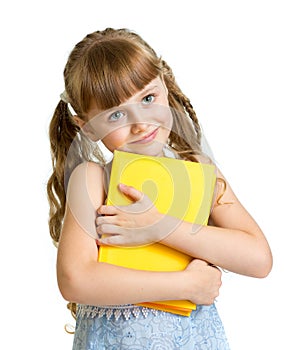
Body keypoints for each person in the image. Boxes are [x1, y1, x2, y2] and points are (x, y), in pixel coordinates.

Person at [47, 28, 272, 350]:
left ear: (165, 85)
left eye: (148, 98)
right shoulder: (92, 179)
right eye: (116, 114)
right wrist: (187, 284)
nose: (141, 124)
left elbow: (258, 258)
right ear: (87, 126)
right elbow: (75, 280)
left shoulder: (198, 168)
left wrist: (158, 227)